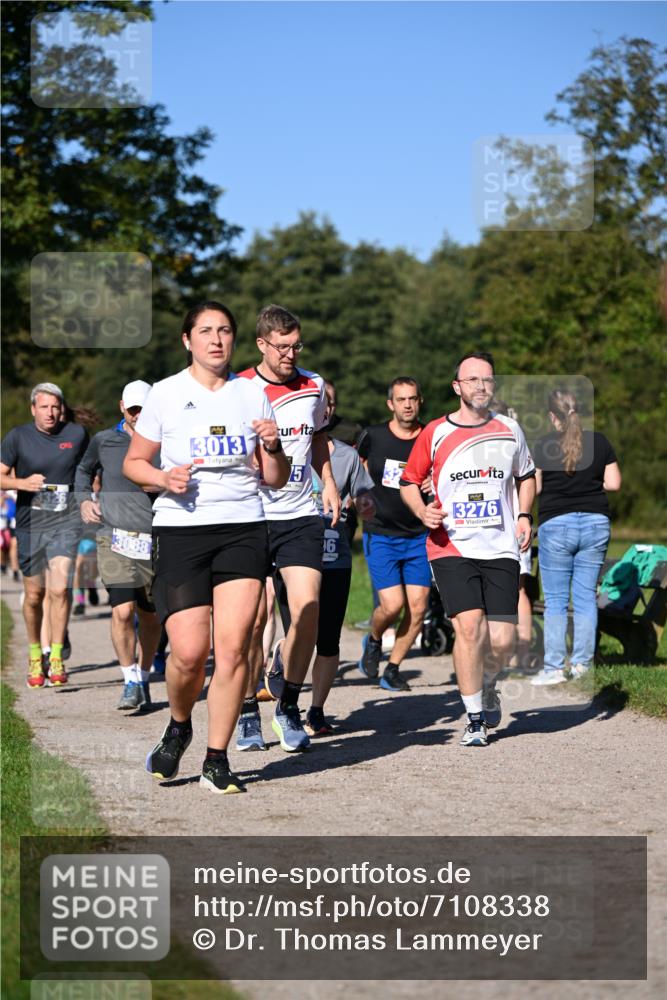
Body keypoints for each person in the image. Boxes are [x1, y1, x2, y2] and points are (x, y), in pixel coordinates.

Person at [123, 302, 289, 794]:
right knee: (190, 653)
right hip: (182, 530)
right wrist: (161, 477)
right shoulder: (166, 394)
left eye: (224, 331)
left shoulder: (252, 395)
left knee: (234, 649)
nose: (216, 339)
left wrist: (275, 446)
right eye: (206, 331)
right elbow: (135, 461)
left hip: (242, 527)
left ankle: (218, 760)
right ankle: (179, 724)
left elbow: (274, 480)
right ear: (187, 340)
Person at [400, 352, 536, 747]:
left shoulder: (510, 428)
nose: (480, 386)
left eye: (487, 380)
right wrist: (421, 509)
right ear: (457, 387)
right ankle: (474, 717)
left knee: (503, 640)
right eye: (472, 379)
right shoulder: (436, 432)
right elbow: (409, 481)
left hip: (501, 546)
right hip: (451, 545)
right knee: (469, 626)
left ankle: (489, 684)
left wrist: (524, 514)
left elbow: (526, 475)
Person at [237, 304, 340, 753]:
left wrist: (330, 482)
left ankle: (288, 706)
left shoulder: (313, 384)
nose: (290, 354)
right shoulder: (239, 388)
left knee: (308, 608)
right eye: (282, 347)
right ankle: (245, 714)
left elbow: (318, 437)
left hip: (300, 513)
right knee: (251, 620)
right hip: (250, 514)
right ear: (262, 344)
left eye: (296, 346)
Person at [274, 379, 375, 735]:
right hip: (293, 554)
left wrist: (363, 504)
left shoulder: (347, 456)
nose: (325, 408)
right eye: (321, 402)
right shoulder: (285, 448)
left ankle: (315, 711)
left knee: (328, 640)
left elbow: (367, 502)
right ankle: (288, 704)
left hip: (335, 556)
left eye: (329, 403)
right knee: (298, 631)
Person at [75, 380, 162, 711]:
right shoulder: (104, 440)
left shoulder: (166, 440)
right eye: (134, 409)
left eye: (145, 409)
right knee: (122, 611)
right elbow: (83, 472)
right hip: (114, 536)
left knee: (150, 617)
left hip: (155, 538)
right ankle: (129, 680)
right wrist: (84, 500)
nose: (140, 416)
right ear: (122, 408)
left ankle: (143, 673)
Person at [531, 389, 621, 685]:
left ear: (552, 416)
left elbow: (538, 489)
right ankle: (582, 665)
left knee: (555, 600)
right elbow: (614, 483)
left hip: (556, 524)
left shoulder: (543, 445)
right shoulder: (600, 442)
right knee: (585, 598)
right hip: (596, 523)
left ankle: (555, 668)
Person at [0, 383, 88, 688]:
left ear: (61, 408)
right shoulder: (18, 437)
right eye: (44, 407)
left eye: (55, 407)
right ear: (33, 409)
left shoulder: (76, 435)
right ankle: (35, 652)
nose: (50, 412)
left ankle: (56, 657)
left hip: (65, 523)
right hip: (29, 526)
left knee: (60, 590)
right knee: (35, 595)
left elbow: (86, 472)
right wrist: (22, 483)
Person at [356, 377, 431, 692]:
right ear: (391, 404)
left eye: (413, 398)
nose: (408, 405)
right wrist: (357, 497)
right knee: (392, 605)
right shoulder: (373, 436)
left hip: (418, 535)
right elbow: (355, 471)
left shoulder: (430, 436)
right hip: (382, 533)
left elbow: (443, 471)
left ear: (420, 401)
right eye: (401, 400)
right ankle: (374, 640)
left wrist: (434, 483)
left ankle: (393, 668)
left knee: (418, 608)